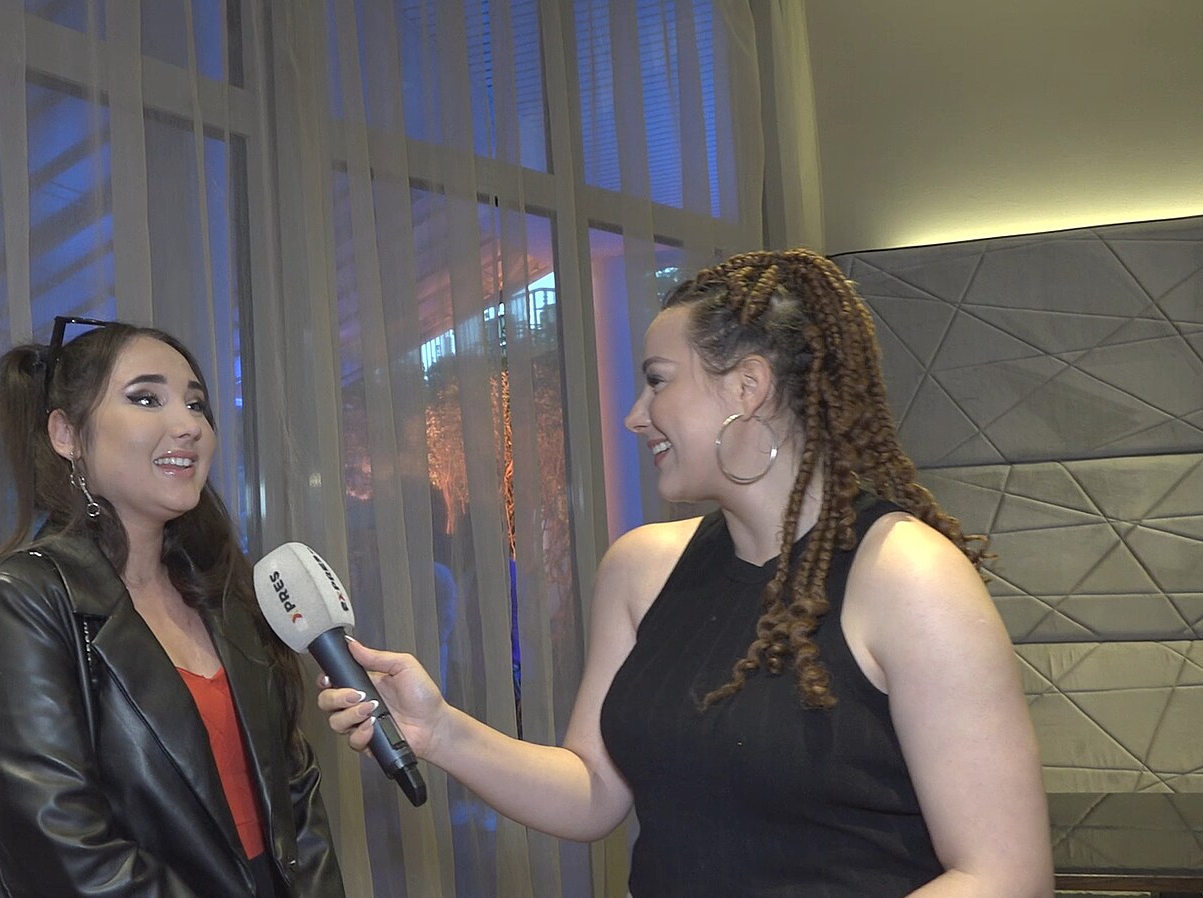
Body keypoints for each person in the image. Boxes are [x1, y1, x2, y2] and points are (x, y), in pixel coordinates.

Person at [320, 250, 1053, 896]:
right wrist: (440, 732)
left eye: (657, 381)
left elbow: (1003, 874)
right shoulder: (641, 568)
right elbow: (594, 791)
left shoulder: (909, 576)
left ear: (748, 386)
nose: (635, 416)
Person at [0, 318, 345, 898]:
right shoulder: (16, 601)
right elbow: (66, 856)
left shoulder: (224, 594)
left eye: (196, 404)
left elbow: (297, 803)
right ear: (66, 434)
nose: (188, 425)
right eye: (145, 399)